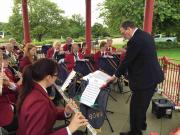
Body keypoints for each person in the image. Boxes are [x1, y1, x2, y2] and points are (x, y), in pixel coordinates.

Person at [108, 21, 164, 135]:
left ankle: (135, 132)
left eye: (123, 33)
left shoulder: (134, 41)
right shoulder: (146, 35)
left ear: (129, 29)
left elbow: (127, 61)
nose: (123, 36)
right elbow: (141, 56)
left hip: (144, 80)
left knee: (135, 108)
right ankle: (142, 124)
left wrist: (115, 76)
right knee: (143, 104)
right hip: (152, 77)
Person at [17, 58, 88, 135]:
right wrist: (70, 128)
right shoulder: (38, 101)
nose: (57, 78)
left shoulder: (35, 89)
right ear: (48, 77)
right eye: (56, 75)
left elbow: (47, 111)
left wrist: (66, 112)